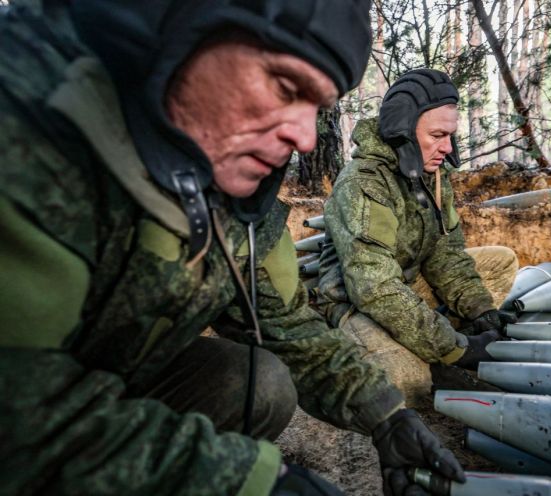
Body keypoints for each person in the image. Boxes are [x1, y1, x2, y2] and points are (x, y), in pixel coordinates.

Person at [0, 2, 464, 495]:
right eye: (286, 88)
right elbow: (18, 417)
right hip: (28, 407)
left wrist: (384, 415)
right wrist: (250, 479)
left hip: (115, 375)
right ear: (179, 39)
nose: (305, 138)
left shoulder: (236, 182)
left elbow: (285, 325)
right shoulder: (28, 133)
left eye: (317, 109)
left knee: (256, 382)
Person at [317, 69, 519, 403]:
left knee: (501, 262)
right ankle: (414, 351)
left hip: (405, 284)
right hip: (358, 302)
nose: (447, 147)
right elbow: (374, 289)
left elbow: (446, 254)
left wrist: (480, 311)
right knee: (407, 380)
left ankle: (432, 340)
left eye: (450, 135)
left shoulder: (431, 174)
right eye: (438, 135)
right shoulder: (363, 184)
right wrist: (454, 348)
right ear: (403, 132)